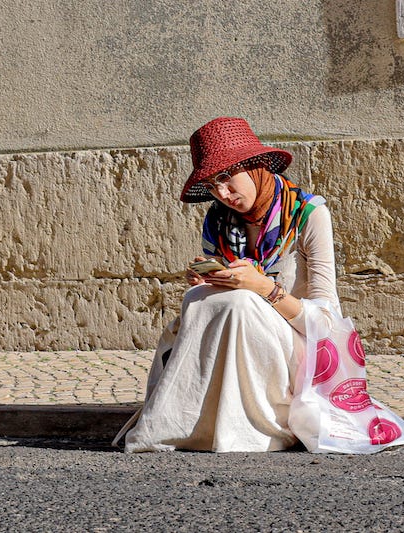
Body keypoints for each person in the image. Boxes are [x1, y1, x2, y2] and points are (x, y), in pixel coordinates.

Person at [120, 117, 339, 452]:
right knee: (200, 298)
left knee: (242, 302)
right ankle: (197, 423)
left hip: (300, 352)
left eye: (225, 178)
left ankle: (259, 425)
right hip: (240, 340)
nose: (222, 194)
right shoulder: (218, 221)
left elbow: (326, 322)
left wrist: (262, 288)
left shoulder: (309, 215)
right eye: (211, 186)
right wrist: (208, 283)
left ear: (255, 166)